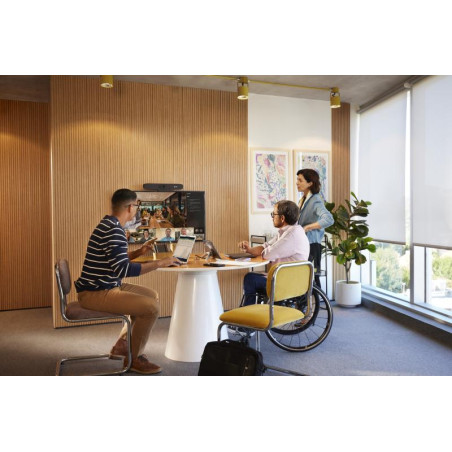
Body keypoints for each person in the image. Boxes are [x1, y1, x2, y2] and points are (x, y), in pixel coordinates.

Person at [74, 188, 181, 374]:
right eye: (137, 206)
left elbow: (116, 261)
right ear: (131, 207)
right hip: (96, 292)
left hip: (106, 284)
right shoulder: (114, 231)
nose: (137, 210)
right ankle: (134, 359)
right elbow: (123, 270)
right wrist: (159, 263)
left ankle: (122, 346)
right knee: (151, 308)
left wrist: (139, 252)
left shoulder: (109, 224)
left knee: (151, 295)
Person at [238, 200, 310, 306]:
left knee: (250, 279)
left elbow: (268, 254)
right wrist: (249, 249)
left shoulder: (291, 235)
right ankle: (250, 310)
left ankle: (249, 310)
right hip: (284, 277)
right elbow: (265, 246)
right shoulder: (287, 232)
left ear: (282, 218)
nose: (272, 217)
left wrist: (264, 250)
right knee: (251, 276)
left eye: (273, 214)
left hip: (285, 283)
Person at [296, 168, 334, 286]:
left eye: (300, 180)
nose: (297, 183)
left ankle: (317, 298)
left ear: (310, 183)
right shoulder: (303, 199)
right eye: (297, 180)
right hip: (304, 244)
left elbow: (329, 219)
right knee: (305, 277)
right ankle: (309, 298)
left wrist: (307, 227)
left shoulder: (315, 200)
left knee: (313, 278)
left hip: (312, 245)